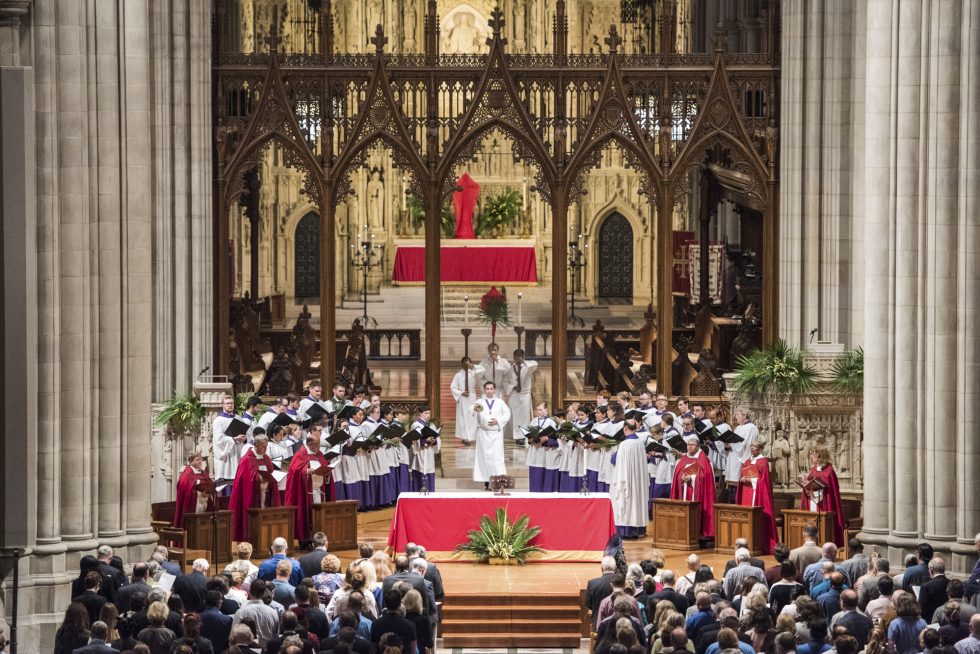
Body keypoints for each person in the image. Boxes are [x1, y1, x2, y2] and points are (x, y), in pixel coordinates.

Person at [228, 432, 281, 541]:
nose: (265, 449)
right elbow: (245, 480)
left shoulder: (266, 458)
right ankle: (251, 539)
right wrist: (259, 479)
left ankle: (266, 539)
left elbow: (271, 472)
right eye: (263, 447)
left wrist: (272, 478)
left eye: (267, 446)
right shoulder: (246, 460)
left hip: (265, 493)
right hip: (252, 497)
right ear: (256, 446)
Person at [283, 429, 332, 542]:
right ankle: (305, 540)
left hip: (319, 492)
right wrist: (306, 471)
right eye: (317, 444)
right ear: (309, 444)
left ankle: (319, 539)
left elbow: (325, 467)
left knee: (319, 517)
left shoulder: (319, 454)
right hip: (306, 493)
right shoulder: (301, 454)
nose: (319, 447)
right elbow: (294, 470)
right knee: (306, 516)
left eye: (319, 444)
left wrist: (328, 473)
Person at [797, 446, 845, 546]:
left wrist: (814, 493)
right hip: (812, 502)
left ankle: (823, 544)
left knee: (821, 526)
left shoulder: (829, 471)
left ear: (820, 457)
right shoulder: (814, 469)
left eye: (813, 455)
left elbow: (830, 491)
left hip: (823, 505)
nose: (811, 457)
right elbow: (811, 484)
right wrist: (806, 484)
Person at [610, 419, 650, 539]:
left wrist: (612, 456)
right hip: (637, 481)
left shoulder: (624, 444)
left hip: (626, 479)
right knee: (636, 503)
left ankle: (625, 530)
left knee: (625, 502)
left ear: (625, 428)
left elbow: (616, 461)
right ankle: (637, 529)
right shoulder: (640, 442)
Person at [735, 440, 777, 554]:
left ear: (760, 449)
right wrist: (742, 479)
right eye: (751, 446)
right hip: (746, 493)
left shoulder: (763, 462)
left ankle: (757, 544)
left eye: (755, 447)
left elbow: (764, 481)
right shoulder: (747, 461)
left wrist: (751, 480)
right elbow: (742, 474)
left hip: (756, 493)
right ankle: (744, 542)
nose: (752, 448)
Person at [670, 437, 715, 540]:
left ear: (698, 446)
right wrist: (681, 477)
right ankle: (682, 531)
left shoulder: (703, 459)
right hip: (684, 489)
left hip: (697, 493)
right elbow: (677, 472)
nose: (690, 447)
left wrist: (692, 478)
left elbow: (706, 476)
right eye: (688, 444)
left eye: (692, 445)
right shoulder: (684, 458)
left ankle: (697, 534)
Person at [471, 381, 511, 487]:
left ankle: (497, 480)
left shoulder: (500, 402)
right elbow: (471, 411)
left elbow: (507, 414)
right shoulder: (479, 401)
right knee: (484, 458)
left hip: (496, 434)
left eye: (491, 388)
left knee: (497, 458)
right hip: (483, 434)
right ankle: (486, 481)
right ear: (484, 390)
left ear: (494, 390)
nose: (489, 391)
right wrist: (475, 409)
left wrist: (497, 421)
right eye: (487, 389)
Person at [232, 579, 281, 646]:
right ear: (264, 593)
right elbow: (276, 636)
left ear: (249, 592)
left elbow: (233, 636)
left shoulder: (241, 612)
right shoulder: (273, 613)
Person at [173, 450, 214, 528]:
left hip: (205, 504)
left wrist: (209, 491)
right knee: (195, 527)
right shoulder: (186, 475)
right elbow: (184, 487)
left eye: (201, 459)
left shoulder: (204, 473)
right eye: (197, 459)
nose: (200, 461)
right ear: (191, 461)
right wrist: (198, 492)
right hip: (194, 505)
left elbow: (211, 485)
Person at [505, 348, 538, 444]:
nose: (517, 359)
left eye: (519, 357)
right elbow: (505, 382)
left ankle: (523, 436)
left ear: (523, 357)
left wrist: (523, 361)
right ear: (513, 358)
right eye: (515, 357)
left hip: (524, 395)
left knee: (524, 416)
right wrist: (513, 387)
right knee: (515, 416)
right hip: (514, 395)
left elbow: (535, 364)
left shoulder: (527, 368)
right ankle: (517, 435)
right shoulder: (510, 369)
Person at [449, 357, 484, 446]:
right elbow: (453, 387)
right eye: (464, 363)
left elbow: (483, 370)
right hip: (462, 398)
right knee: (463, 419)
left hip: (472, 396)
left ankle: (471, 437)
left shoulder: (474, 373)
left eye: (468, 363)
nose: (466, 365)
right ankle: (464, 437)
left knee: (472, 417)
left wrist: (471, 366)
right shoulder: (458, 375)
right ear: (461, 364)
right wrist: (461, 393)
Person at [212, 394, 246, 484]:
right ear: (223, 405)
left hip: (237, 453)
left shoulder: (238, 418)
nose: (230, 405)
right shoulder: (218, 420)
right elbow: (218, 439)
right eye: (227, 403)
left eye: (231, 403)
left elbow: (244, 433)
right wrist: (234, 439)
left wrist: (244, 438)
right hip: (225, 457)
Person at [370, 590, 417, 654]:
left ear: (385, 604)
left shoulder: (375, 624)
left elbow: (373, 648)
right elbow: (413, 650)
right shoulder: (410, 625)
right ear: (400, 604)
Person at [725, 408, 758, 496]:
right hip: (733, 456)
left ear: (744, 416)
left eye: (737, 415)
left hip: (741, 458)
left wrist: (731, 445)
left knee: (738, 480)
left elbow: (747, 443)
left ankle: (737, 498)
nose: (735, 417)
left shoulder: (751, 427)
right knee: (731, 482)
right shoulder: (739, 427)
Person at [920, 557, 952, 623]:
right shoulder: (951, 583)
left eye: (929, 569)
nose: (928, 571)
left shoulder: (926, 586)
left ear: (931, 569)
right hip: (948, 620)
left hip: (930, 621)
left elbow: (922, 608)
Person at [403, 589, 434, 654]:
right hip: (420, 649)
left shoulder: (402, 619)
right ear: (419, 602)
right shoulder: (424, 619)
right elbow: (429, 643)